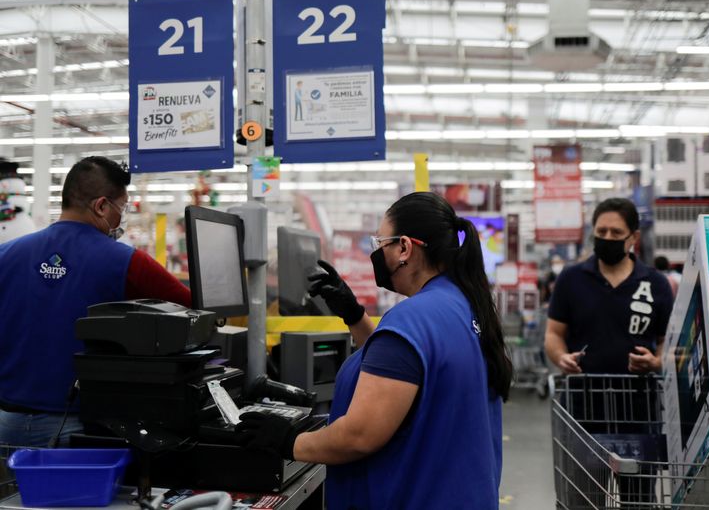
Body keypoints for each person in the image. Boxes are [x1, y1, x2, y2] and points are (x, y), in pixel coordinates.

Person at [235, 192, 512, 510]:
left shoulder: (413, 318)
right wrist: (354, 315)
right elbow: (407, 372)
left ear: (405, 247)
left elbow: (359, 436)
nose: (377, 253)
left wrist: (288, 441)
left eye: (381, 244)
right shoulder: (464, 306)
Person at [0, 156, 191, 449]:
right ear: (101, 206)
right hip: (75, 424)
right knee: (69, 497)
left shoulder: (6, 254)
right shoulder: (128, 261)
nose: (121, 218)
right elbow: (193, 308)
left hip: (6, 422)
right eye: (122, 208)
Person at [544, 197, 673, 509]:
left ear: (634, 238)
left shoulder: (655, 284)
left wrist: (656, 362)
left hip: (638, 413)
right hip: (583, 411)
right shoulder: (572, 279)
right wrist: (560, 357)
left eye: (617, 233)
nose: (608, 239)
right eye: (602, 231)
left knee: (639, 501)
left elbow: (668, 341)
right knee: (583, 499)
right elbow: (553, 334)